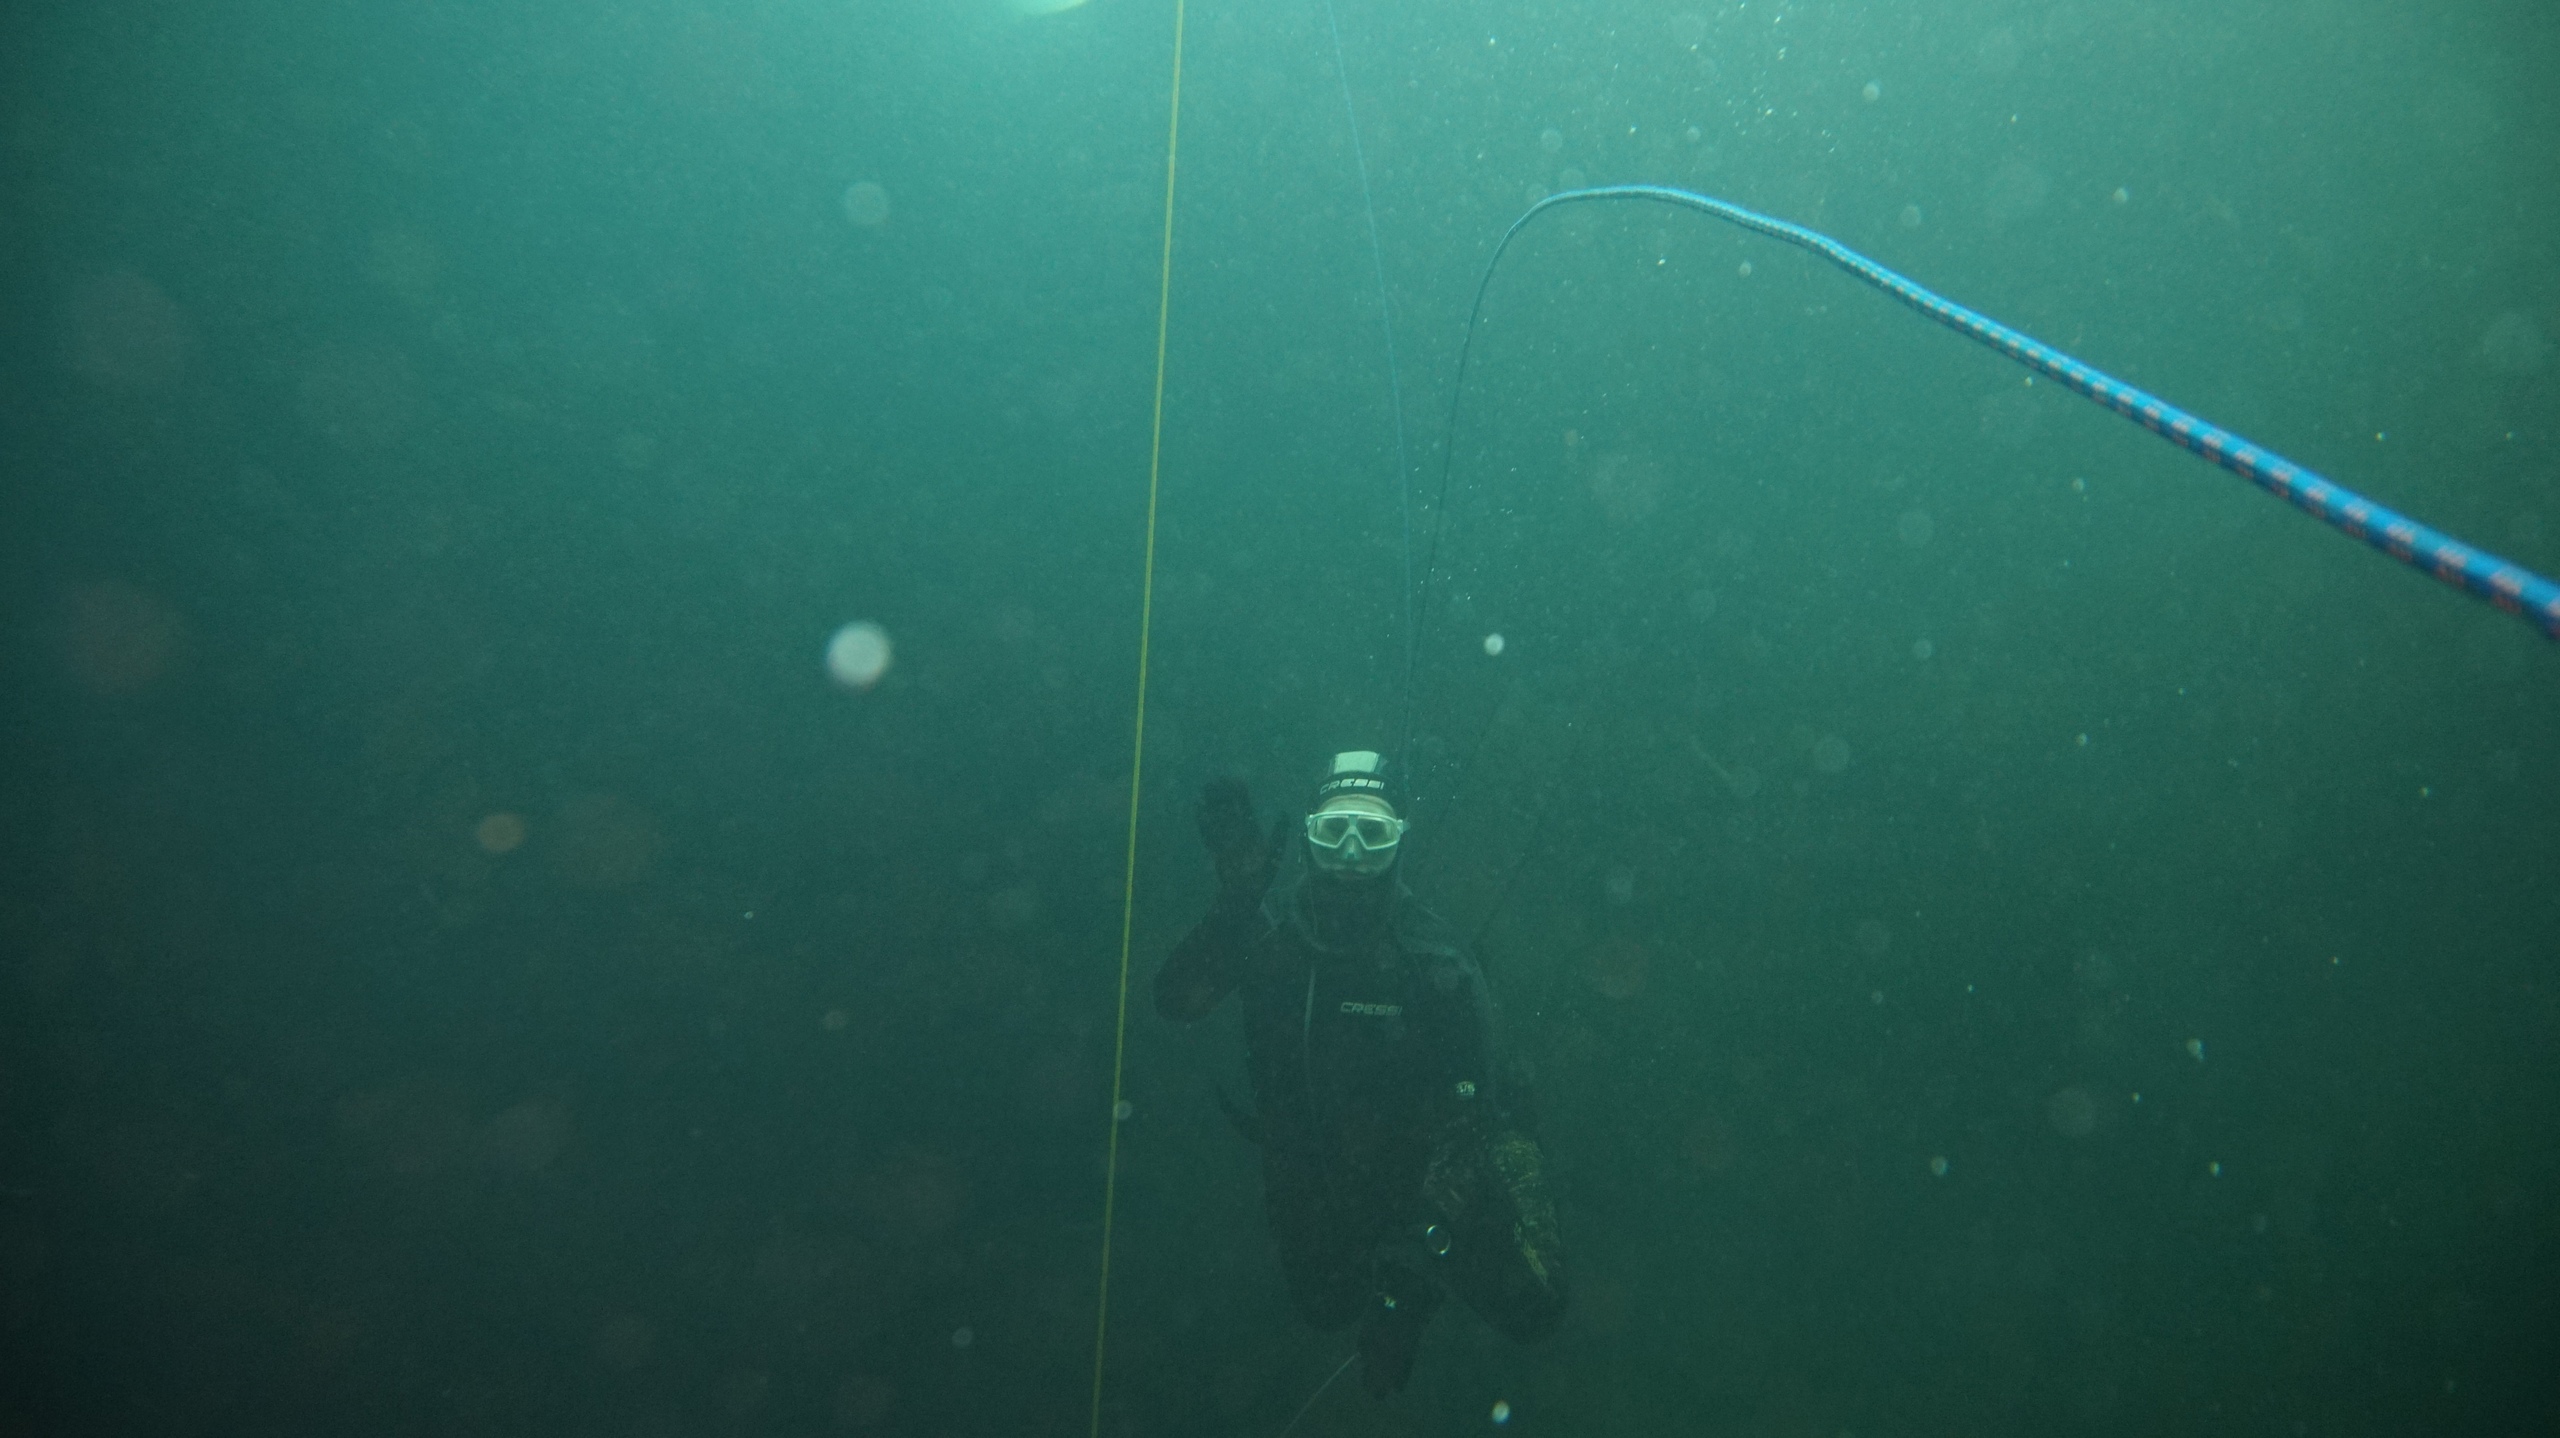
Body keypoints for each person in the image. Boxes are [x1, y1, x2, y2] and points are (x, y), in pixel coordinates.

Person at [1156, 750, 1568, 1396]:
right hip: (1314, 1167)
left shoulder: (1437, 966)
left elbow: (1469, 1126)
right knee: (1324, 1310)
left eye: (1372, 835)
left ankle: (1517, 1180)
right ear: (1309, 837)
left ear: (1399, 841)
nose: (1350, 852)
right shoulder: (1272, 945)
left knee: (1538, 1307)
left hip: (1424, 1172)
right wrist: (1236, 902)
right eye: (1334, 832)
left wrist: (1411, 1287)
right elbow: (1176, 1001)